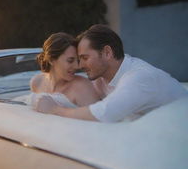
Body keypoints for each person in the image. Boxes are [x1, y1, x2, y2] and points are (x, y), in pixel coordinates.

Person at [34, 24, 187, 122]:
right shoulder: (100, 79)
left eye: (85, 58)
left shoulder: (139, 77)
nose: (80, 65)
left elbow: (104, 114)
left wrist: (54, 109)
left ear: (107, 52)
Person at [29, 32, 100, 108]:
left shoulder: (82, 87)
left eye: (78, 61)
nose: (77, 66)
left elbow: (96, 117)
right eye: (70, 60)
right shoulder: (37, 82)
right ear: (51, 60)